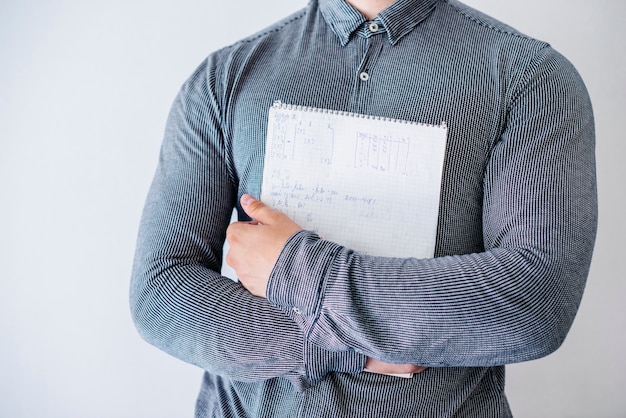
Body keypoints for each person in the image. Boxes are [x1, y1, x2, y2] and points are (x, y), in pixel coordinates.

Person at [130, 0, 597, 416]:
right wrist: (349, 349)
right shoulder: (225, 77)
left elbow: (535, 305)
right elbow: (160, 293)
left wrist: (293, 267)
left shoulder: (534, 80)